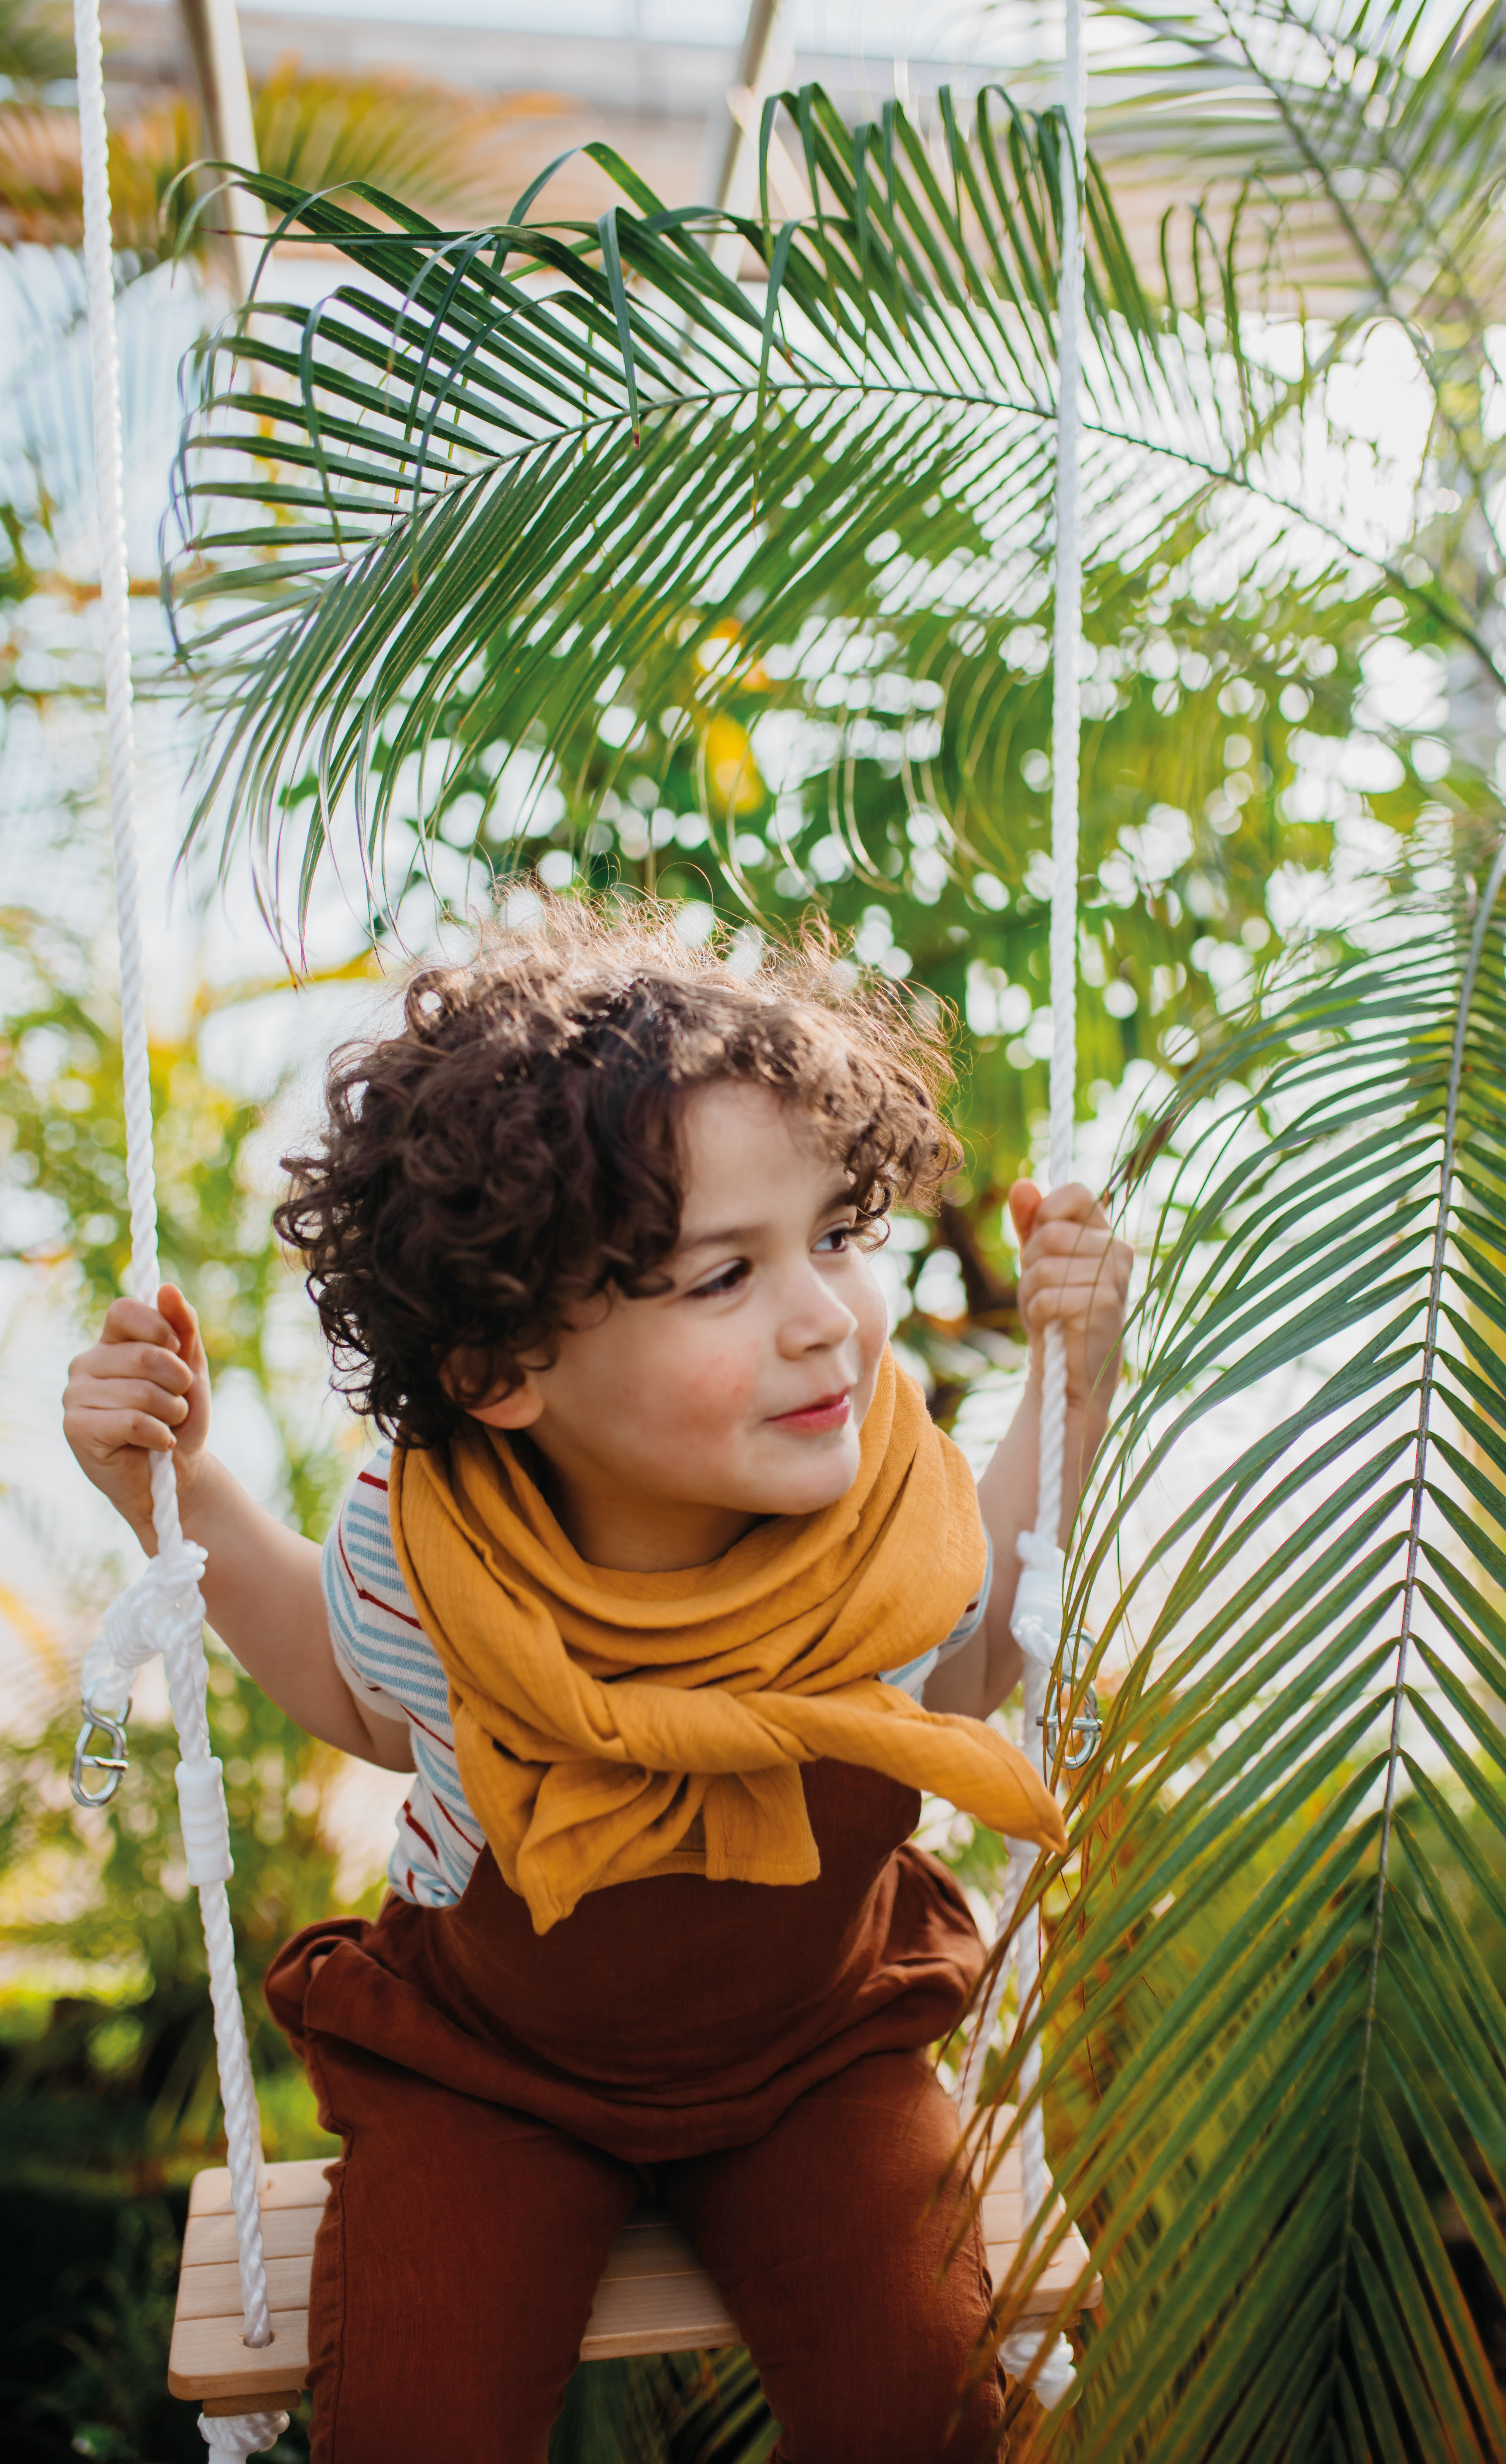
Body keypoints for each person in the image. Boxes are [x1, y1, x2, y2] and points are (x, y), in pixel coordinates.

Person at [64, 900, 1132, 2464]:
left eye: (838, 1236)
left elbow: (973, 1661)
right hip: (490, 2073)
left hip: (817, 2058)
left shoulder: (886, 1534)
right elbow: (358, 1698)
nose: (828, 1320)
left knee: (918, 2402)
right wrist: (181, 1493)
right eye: (725, 1276)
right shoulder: (428, 1559)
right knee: (413, 2424)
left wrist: (1071, 1383)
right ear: (501, 1366)